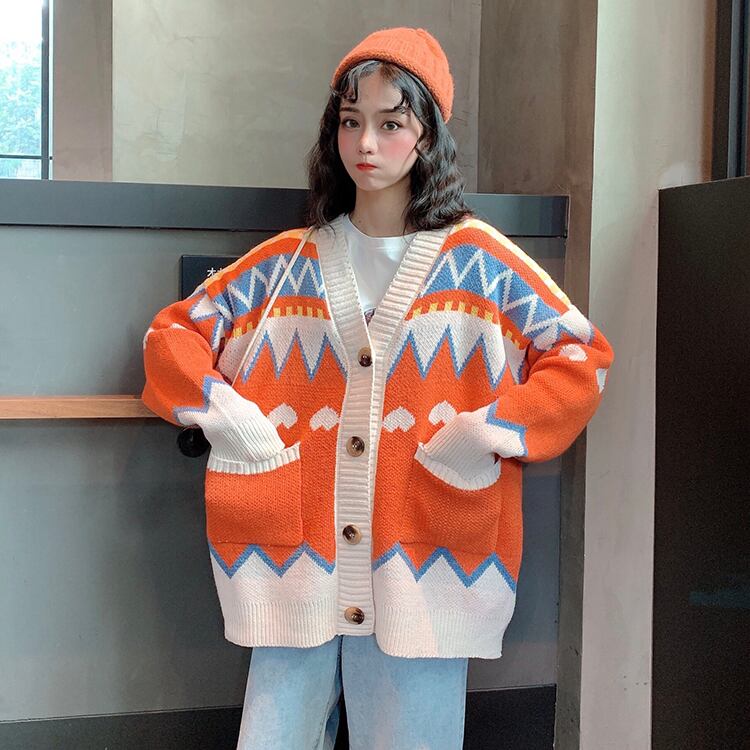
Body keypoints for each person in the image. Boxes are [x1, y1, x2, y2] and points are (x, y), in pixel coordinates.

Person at [141, 26, 615, 750]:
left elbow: (583, 358)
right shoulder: (287, 264)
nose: (365, 143)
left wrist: (484, 435)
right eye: (350, 120)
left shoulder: (480, 264)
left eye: (392, 123)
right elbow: (170, 338)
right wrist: (230, 418)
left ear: (428, 137)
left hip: (429, 564)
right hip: (290, 566)